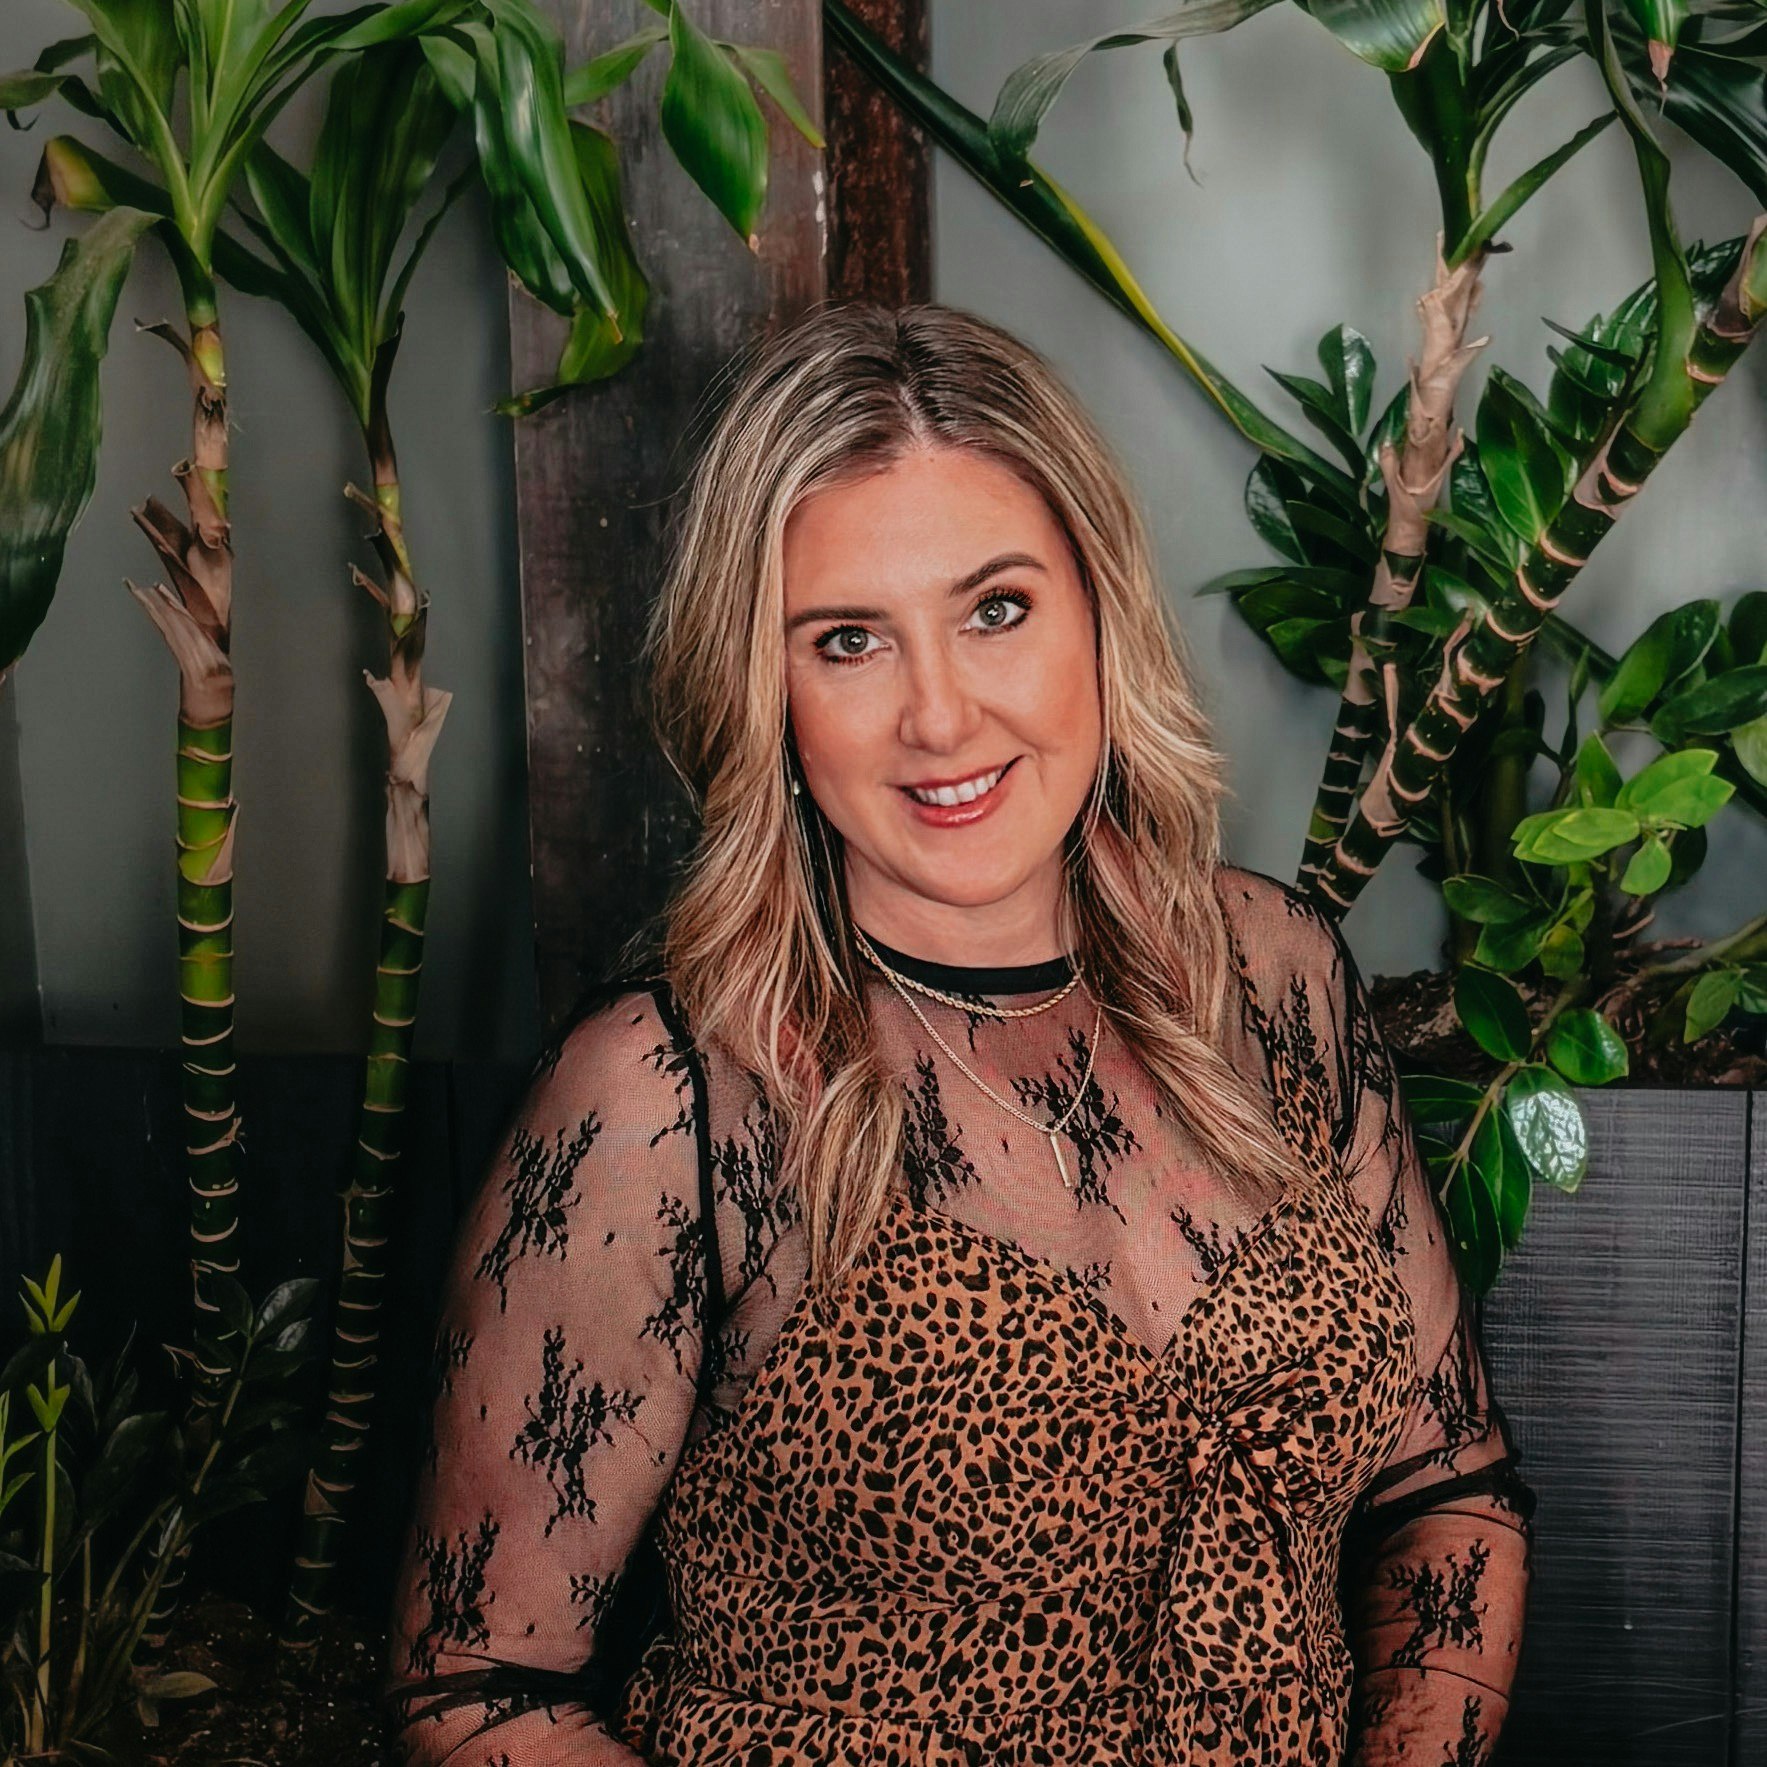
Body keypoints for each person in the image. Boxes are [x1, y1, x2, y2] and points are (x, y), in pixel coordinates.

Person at [381, 303, 1534, 1766]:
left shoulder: (1274, 975)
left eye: (996, 610)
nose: (939, 716)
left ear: (1098, 610)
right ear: (766, 691)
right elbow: (474, 1692)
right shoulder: (667, 1094)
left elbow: (1450, 1493)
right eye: (848, 641)